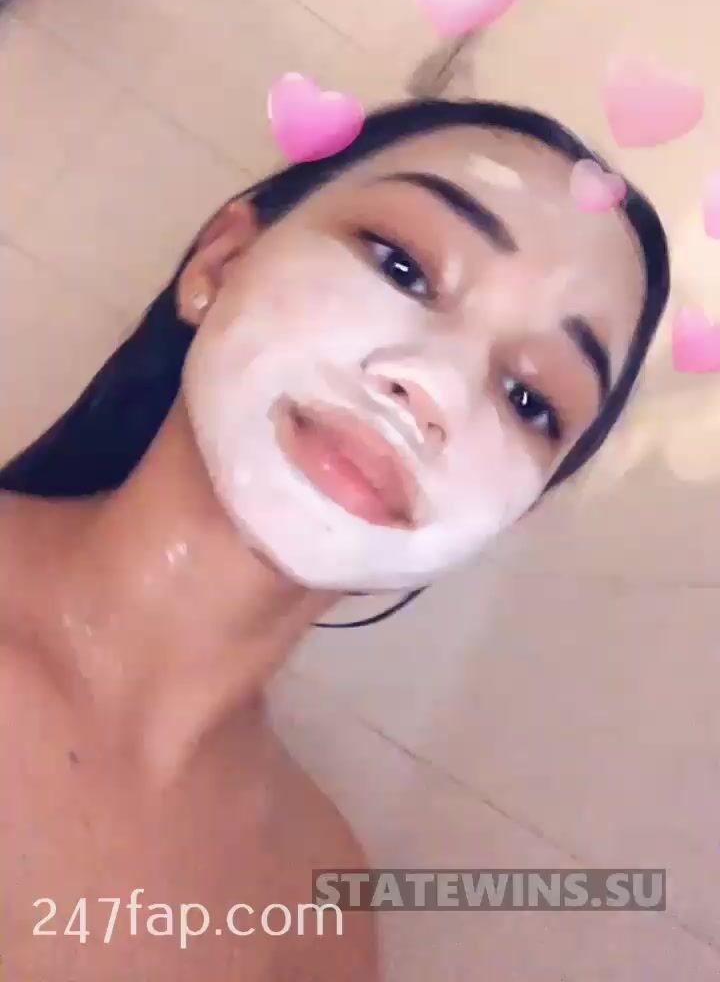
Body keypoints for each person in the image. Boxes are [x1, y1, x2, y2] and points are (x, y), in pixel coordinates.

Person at [0, 98, 669, 980]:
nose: (434, 385)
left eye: (529, 400)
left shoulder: (321, 915)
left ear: (515, 510)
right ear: (222, 261)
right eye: (402, 265)